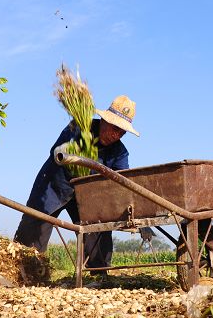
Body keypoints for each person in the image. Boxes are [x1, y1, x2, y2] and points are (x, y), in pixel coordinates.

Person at [15, 95, 142, 270]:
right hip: (55, 185)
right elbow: (56, 151)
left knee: (98, 226)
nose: (116, 135)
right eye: (114, 128)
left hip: (88, 194)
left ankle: (99, 273)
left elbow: (122, 183)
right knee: (35, 226)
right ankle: (24, 269)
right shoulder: (79, 127)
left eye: (122, 132)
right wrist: (67, 152)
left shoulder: (119, 152)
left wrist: (136, 211)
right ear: (104, 120)